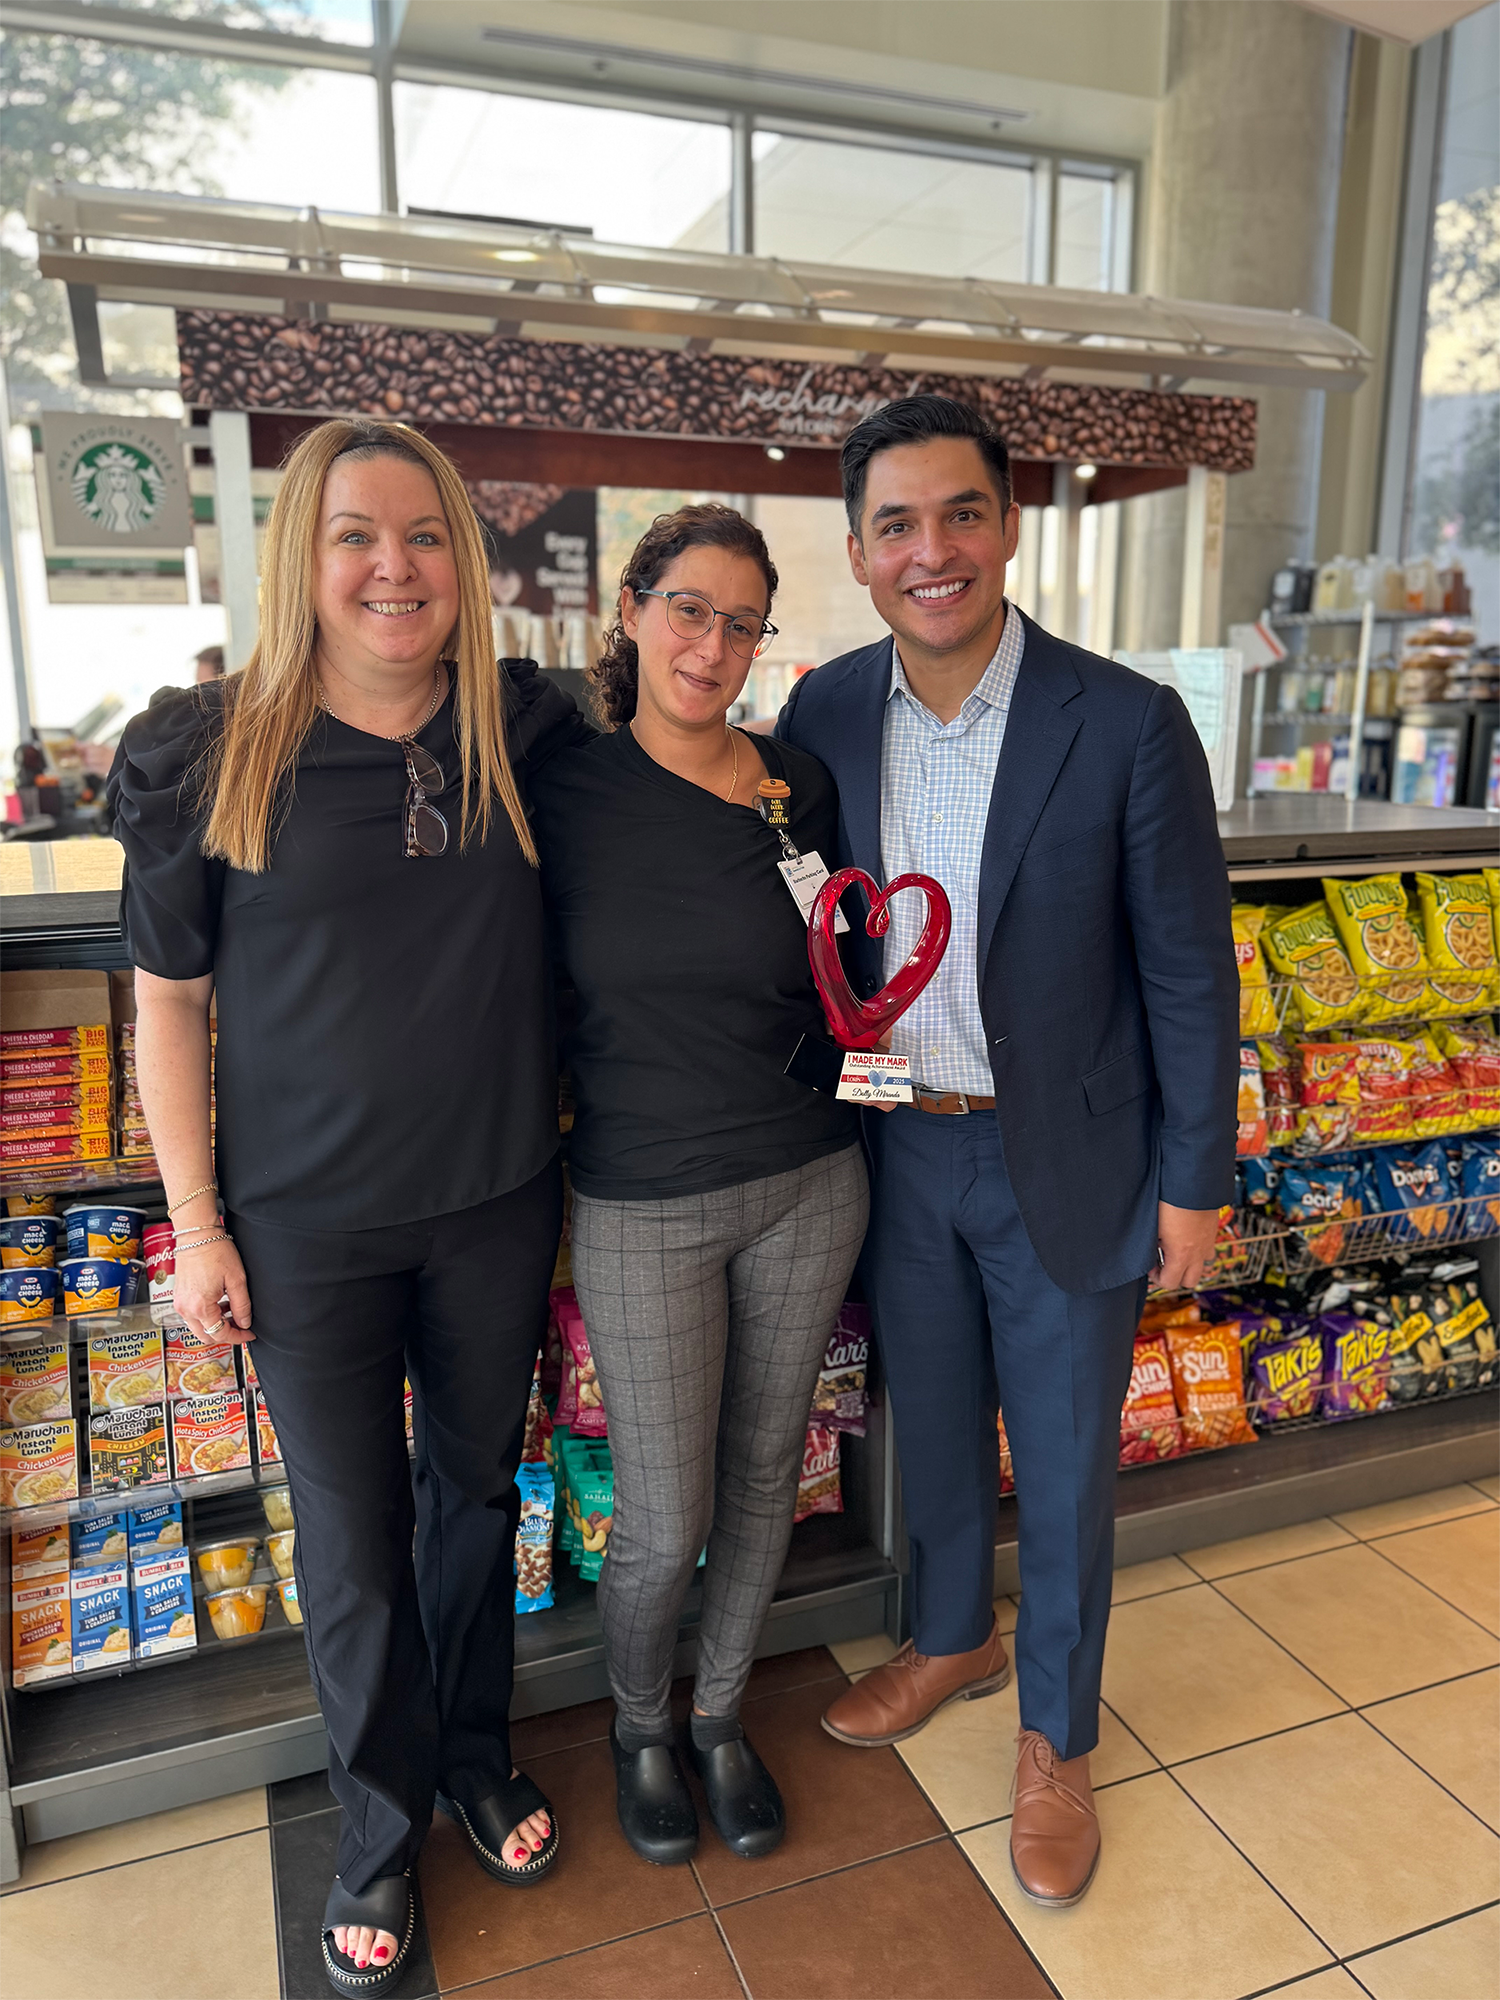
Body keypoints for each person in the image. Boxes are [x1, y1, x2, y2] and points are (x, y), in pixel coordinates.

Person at [108, 418, 581, 1996]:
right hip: (306, 1227)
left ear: (466, 560)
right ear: (299, 559)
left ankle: (473, 1755)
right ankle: (375, 1828)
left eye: (427, 535)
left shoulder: (523, 731)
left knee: (476, 1496)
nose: (396, 567)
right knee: (355, 1540)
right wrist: (198, 1225)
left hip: (497, 1201)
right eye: (357, 537)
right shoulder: (208, 752)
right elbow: (169, 1005)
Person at [776, 395, 1237, 1908]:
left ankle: (1057, 1737)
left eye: (960, 513)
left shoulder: (1126, 721)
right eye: (897, 525)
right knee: (930, 1418)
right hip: (899, 1147)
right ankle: (951, 1638)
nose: (933, 551)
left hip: (1070, 1157)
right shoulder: (825, 715)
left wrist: (1196, 1181)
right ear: (859, 553)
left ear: (1011, 525)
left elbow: (1189, 971)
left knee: (1065, 1456)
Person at [532, 504, 868, 1866]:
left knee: (763, 1474)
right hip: (644, 1200)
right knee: (664, 1516)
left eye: (741, 623)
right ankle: (639, 1725)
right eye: (688, 610)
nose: (711, 645)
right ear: (631, 610)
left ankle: (720, 1716)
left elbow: (844, 975)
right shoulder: (562, 796)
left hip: (812, 1178)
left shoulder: (799, 787)